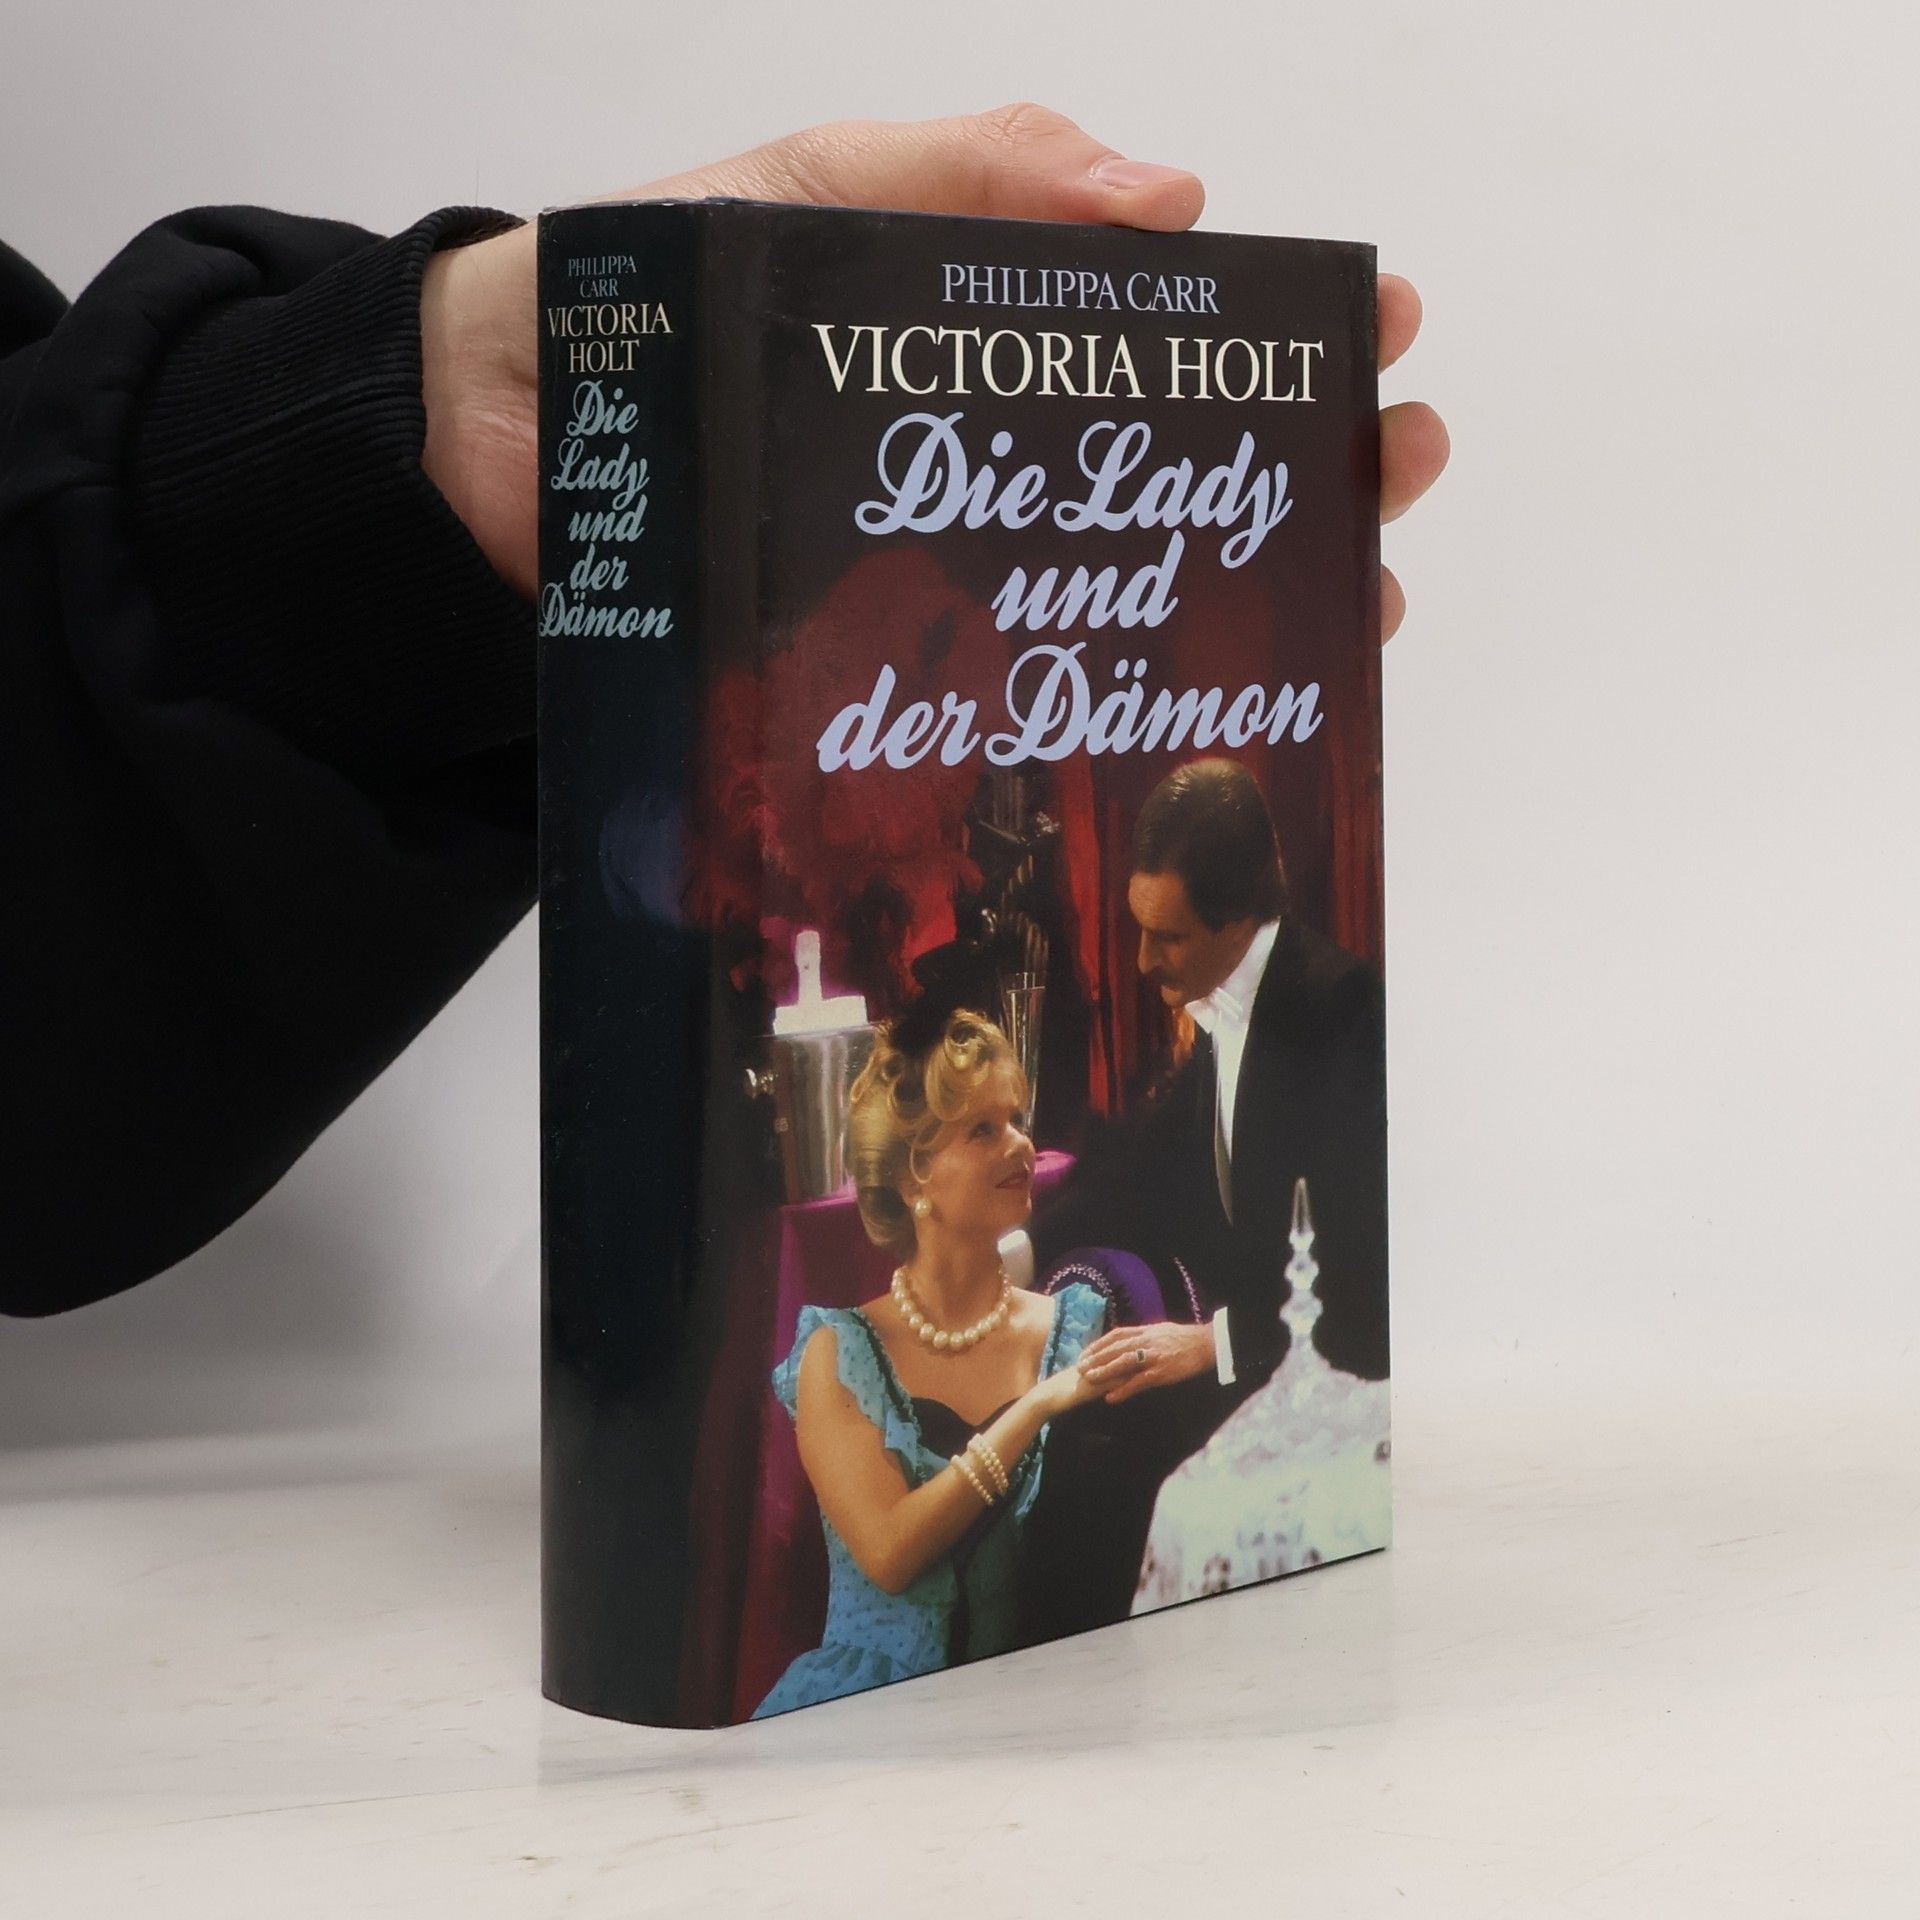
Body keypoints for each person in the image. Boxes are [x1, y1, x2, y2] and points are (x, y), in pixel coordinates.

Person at [0, 103, 1447, 1317]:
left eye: (1168, 939)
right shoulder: (872, 972)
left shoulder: (1260, 1014)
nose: (1152, 964)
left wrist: (379, 441)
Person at [1005, 757, 1389, 1639]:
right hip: (1245, 1363)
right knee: (1065, 1469)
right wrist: (1013, 1255)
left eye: (1167, 938)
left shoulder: (1346, 1013)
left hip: (1326, 1381)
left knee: (1094, 1493)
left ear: (1242, 919)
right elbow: (1134, 1173)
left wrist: (1209, 1343)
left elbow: (1372, 1286)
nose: (1142, 961)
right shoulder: (1224, 999)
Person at [753, 1004, 1109, 1718]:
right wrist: (1035, 1406)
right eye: (983, 1130)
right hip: (869, 1711)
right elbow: (890, 1553)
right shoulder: (839, 1353)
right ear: (913, 1181)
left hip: (1035, 1701)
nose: (1021, 1144)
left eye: (1015, 1119)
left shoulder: (1075, 1328)